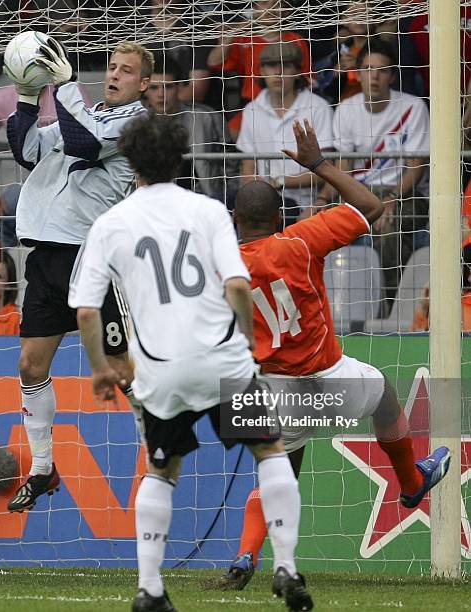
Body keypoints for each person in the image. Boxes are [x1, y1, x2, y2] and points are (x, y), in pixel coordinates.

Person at [69, 112, 313, 612]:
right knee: (269, 452)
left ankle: (150, 587)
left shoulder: (111, 223)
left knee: (162, 471)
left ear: (130, 160)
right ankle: (285, 566)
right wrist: (245, 341)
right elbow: (239, 285)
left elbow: (88, 310)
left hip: (161, 369)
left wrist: (98, 368)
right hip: (222, 361)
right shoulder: (207, 211)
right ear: (180, 159)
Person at [212, 119, 450, 591]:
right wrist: (318, 164)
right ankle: (409, 482)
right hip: (328, 373)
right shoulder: (302, 239)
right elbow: (371, 205)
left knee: (278, 474)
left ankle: (244, 555)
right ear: (280, 218)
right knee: (383, 394)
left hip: (274, 387)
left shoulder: (224, 265)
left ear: (234, 221)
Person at [5, 39, 152, 513]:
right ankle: (43, 467)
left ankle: (158, 451)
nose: (113, 75)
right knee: (30, 366)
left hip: (93, 259)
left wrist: (66, 85)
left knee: (121, 371)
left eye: (126, 71)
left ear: (144, 84)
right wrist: (29, 96)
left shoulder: (135, 124)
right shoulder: (84, 116)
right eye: (111, 67)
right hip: (47, 256)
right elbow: (28, 150)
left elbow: (86, 142)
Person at [315, 38, 430, 306]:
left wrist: (391, 198)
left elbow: (416, 169)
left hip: (404, 194)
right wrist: (323, 201)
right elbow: (342, 168)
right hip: (358, 193)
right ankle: (330, 305)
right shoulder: (345, 109)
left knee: (388, 229)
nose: (373, 76)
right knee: (319, 223)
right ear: (358, 72)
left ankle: (389, 306)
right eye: (367, 69)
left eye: (381, 70)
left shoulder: (413, 108)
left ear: (391, 75)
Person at [236, 41, 333, 223]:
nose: (278, 73)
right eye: (272, 66)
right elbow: (248, 165)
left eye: (286, 66)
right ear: (262, 72)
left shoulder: (318, 107)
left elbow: (327, 168)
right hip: (260, 199)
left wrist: (279, 182)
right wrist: (256, 193)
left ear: (297, 72)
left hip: (303, 203)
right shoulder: (251, 109)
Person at [0, 84, 58, 248]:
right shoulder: (1, 98)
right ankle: (2, 269)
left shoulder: (67, 91)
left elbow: (89, 133)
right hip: (29, 186)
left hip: (66, 183)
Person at [144, 53, 239, 206]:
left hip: (208, 199)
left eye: (168, 86)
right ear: (145, 89)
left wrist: (223, 199)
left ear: (180, 86)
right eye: (154, 87)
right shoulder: (139, 124)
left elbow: (232, 167)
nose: (161, 94)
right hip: (157, 203)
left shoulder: (207, 117)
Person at [207, 0, 311, 137]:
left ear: (285, 10)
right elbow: (214, 62)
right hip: (253, 105)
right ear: (254, 9)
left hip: (289, 105)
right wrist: (232, 34)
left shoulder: (296, 40)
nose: (270, 9)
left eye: (276, 4)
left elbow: (308, 79)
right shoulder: (245, 39)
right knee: (231, 134)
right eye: (264, 3)